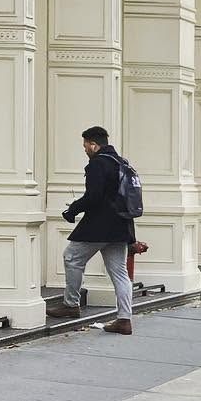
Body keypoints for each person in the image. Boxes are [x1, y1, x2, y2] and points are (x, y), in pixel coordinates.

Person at [50, 126, 135, 334]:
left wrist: (73, 210)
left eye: (86, 145)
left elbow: (94, 197)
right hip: (121, 226)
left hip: (99, 226)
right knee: (120, 273)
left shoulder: (98, 164)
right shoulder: (122, 163)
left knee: (72, 257)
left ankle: (71, 305)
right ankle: (124, 319)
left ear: (94, 144)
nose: (85, 149)